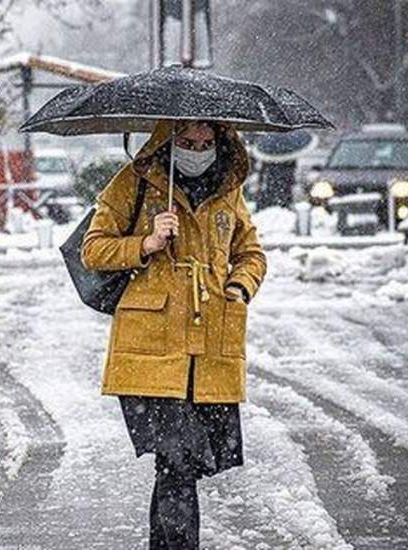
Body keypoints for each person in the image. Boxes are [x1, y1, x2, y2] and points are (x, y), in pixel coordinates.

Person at [80, 118, 267, 548]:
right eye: (186, 141)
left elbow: (251, 254)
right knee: (179, 460)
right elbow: (93, 250)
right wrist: (145, 244)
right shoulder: (135, 182)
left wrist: (239, 287)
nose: (197, 150)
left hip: (209, 353)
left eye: (205, 142)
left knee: (180, 465)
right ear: (168, 140)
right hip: (150, 350)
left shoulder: (227, 190)